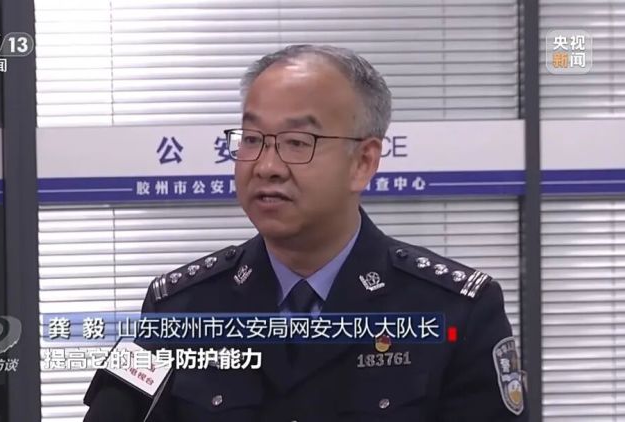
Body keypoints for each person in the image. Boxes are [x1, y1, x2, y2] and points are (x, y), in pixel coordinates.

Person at [83, 44, 528, 421]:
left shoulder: (457, 311)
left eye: (297, 143)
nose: (266, 166)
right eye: (252, 139)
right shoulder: (177, 309)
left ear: (363, 162)